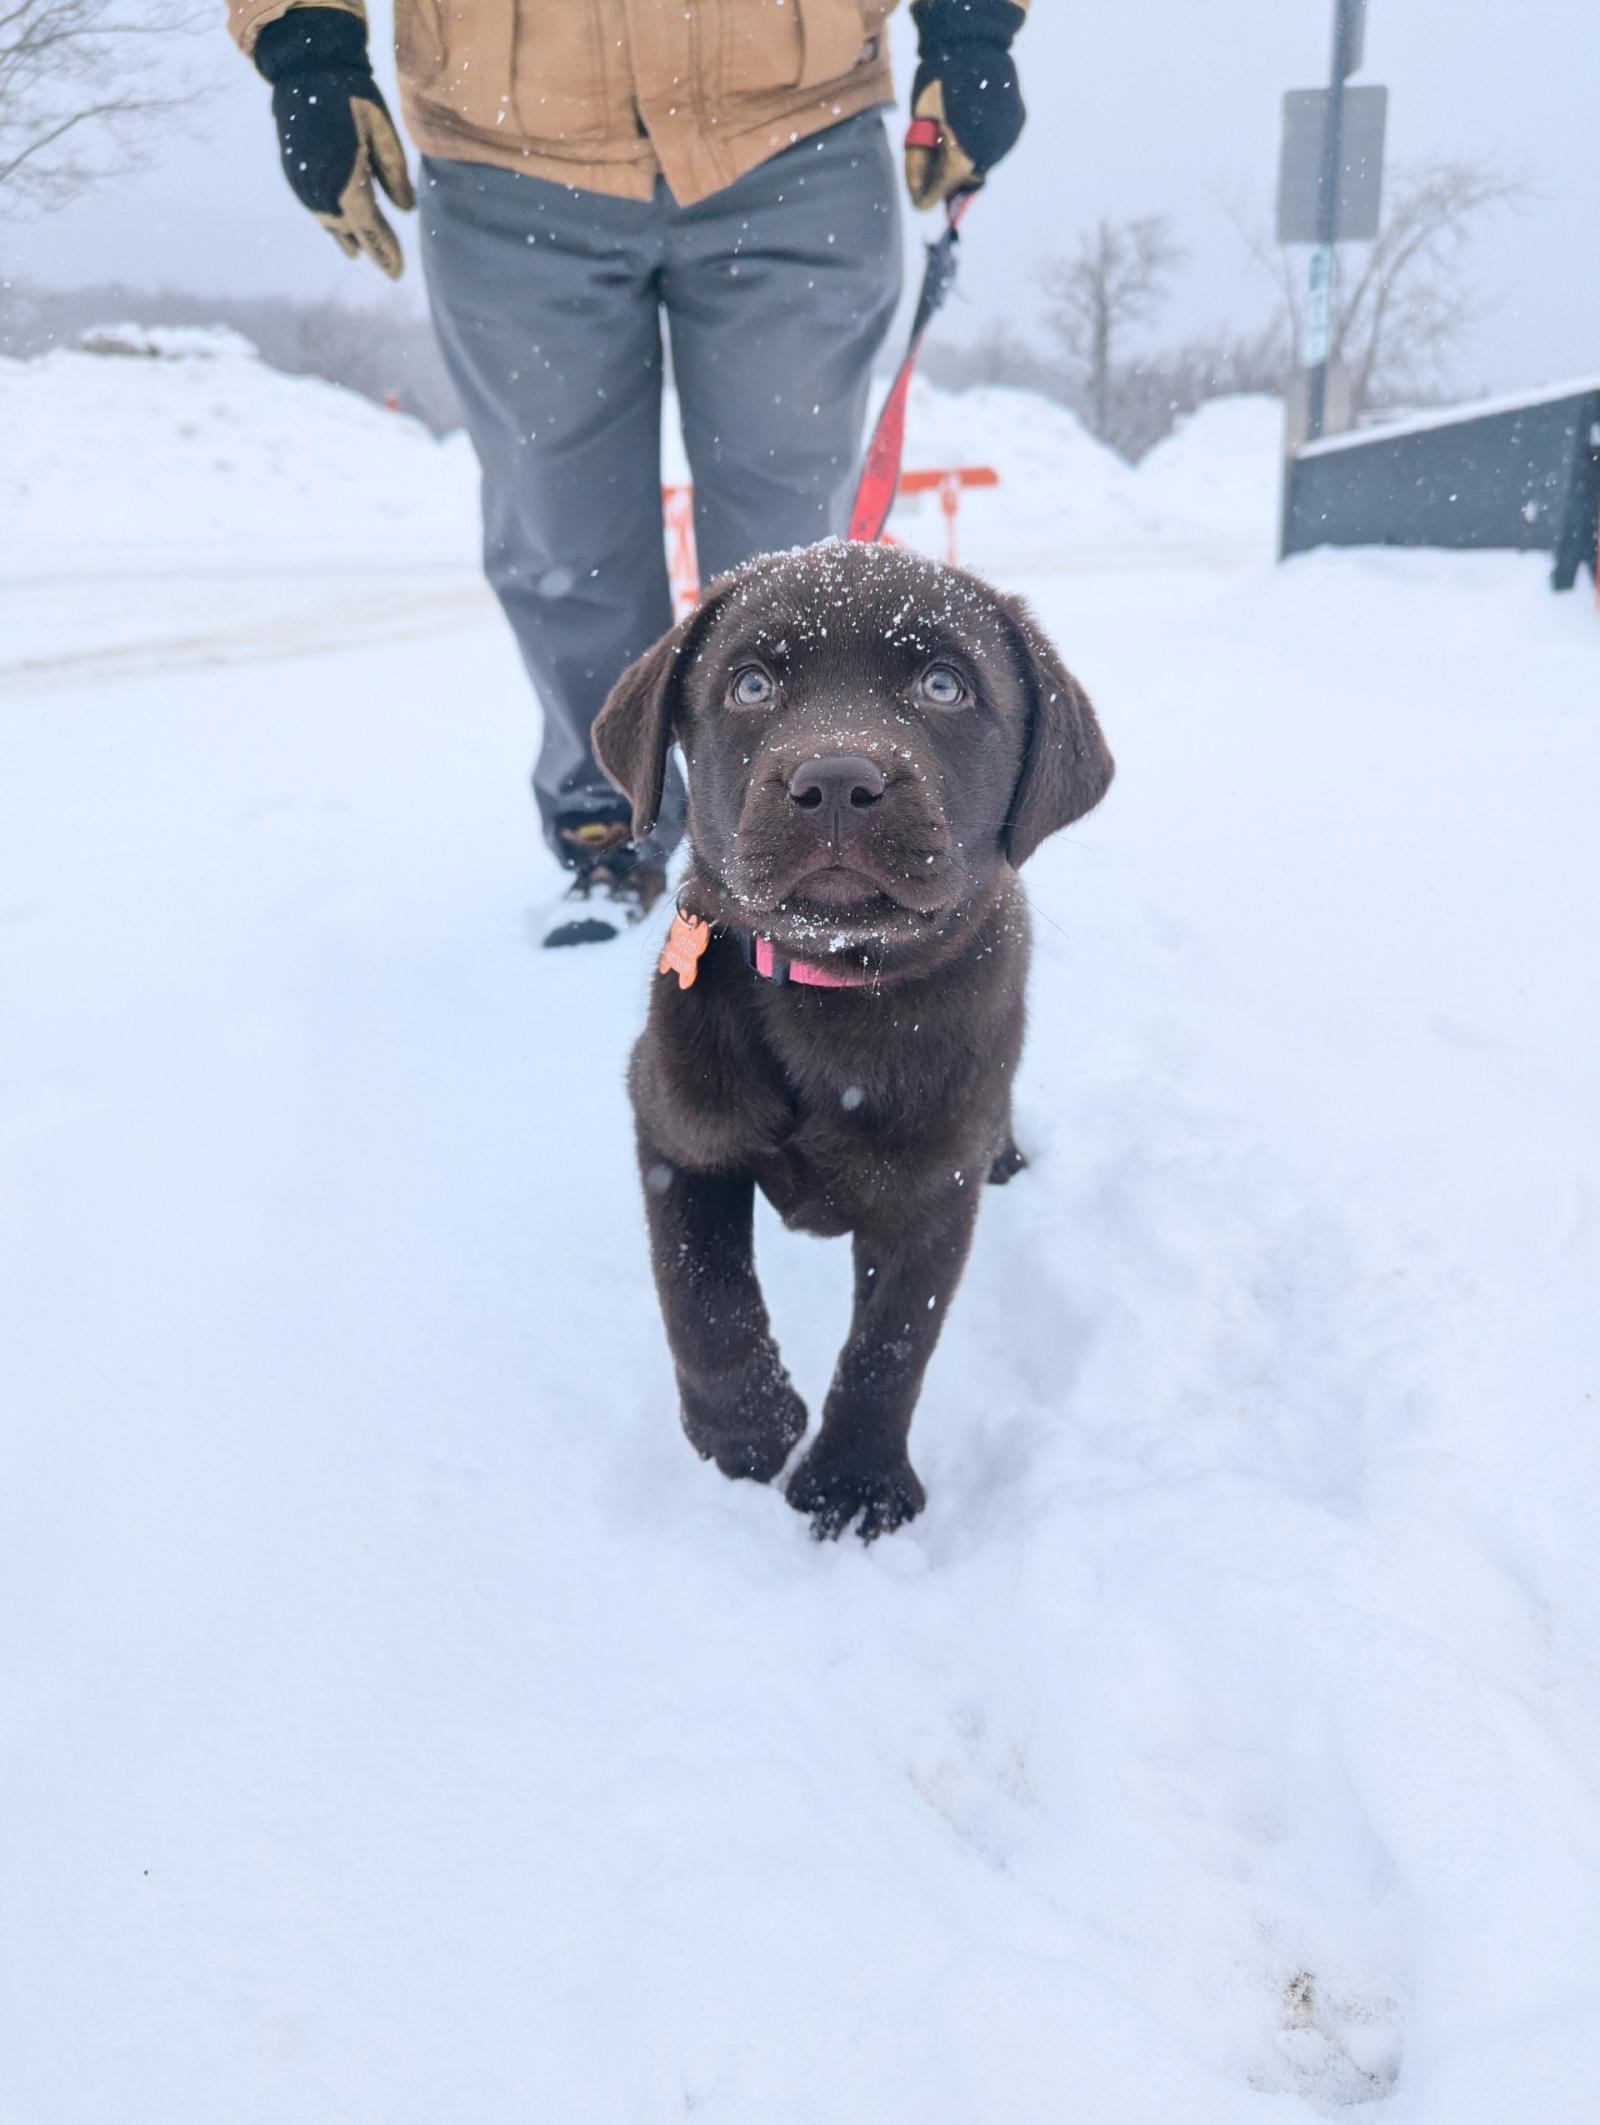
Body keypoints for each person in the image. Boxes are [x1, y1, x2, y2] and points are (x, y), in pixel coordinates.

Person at [230, 0, 1031, 945]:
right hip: (509, 150)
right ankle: (614, 818)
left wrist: (967, 28)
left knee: (792, 555)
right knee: (562, 537)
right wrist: (309, 46)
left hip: (793, 132)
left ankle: (813, 838)